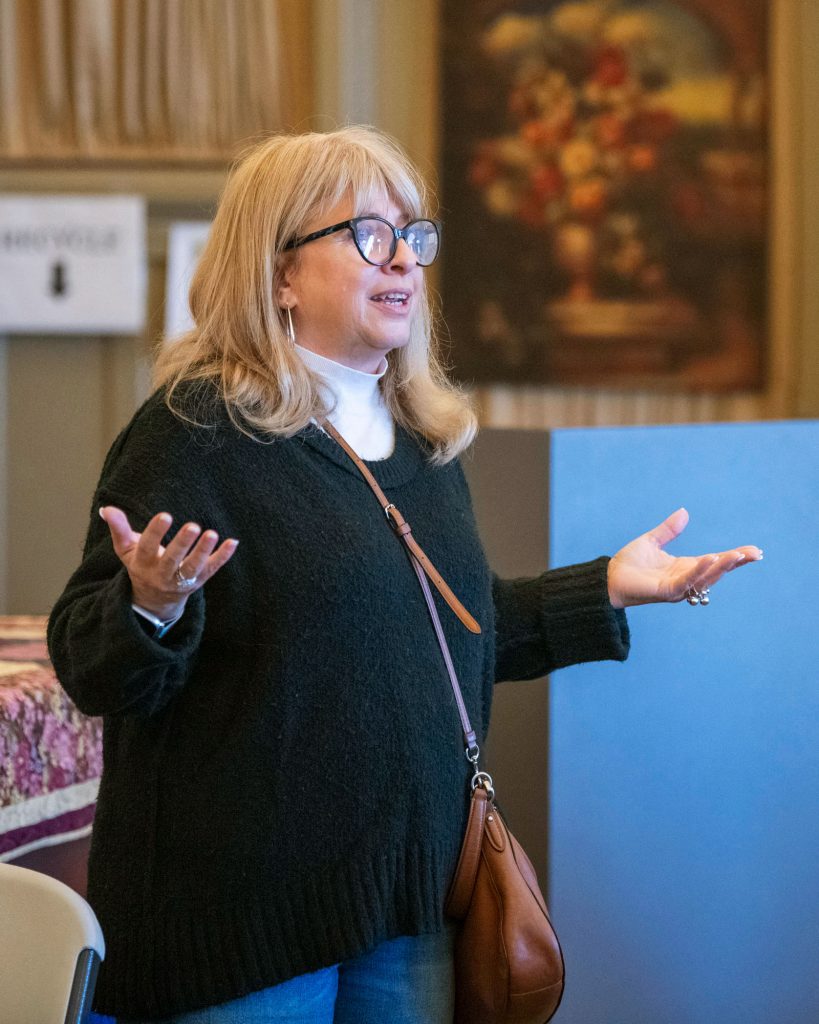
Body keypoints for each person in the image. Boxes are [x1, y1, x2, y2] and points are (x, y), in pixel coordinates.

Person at [47, 126, 761, 1024]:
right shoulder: (195, 430)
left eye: (413, 236)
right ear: (277, 274)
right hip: (240, 928)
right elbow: (90, 666)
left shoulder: (420, 438)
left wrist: (608, 587)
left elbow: (441, 635)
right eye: (367, 234)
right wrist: (150, 603)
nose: (403, 261)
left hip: (409, 907)